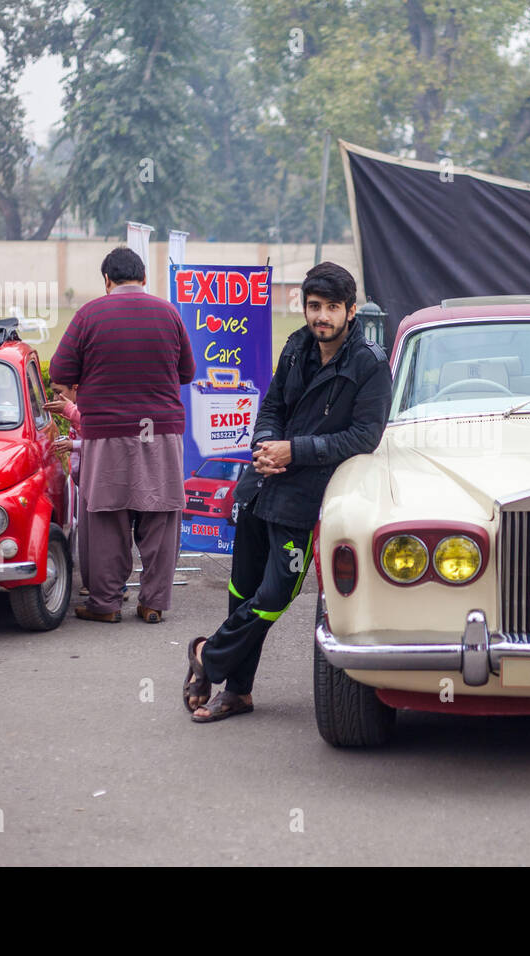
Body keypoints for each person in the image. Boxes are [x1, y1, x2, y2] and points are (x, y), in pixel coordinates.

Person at [185, 261, 393, 722]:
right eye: (314, 306)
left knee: (275, 596)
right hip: (260, 488)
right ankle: (237, 693)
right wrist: (264, 447)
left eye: (332, 308)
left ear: (351, 311)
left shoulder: (370, 365)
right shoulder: (297, 347)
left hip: (307, 500)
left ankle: (206, 654)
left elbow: (364, 438)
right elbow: (272, 405)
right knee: (242, 592)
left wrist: (292, 452)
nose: (322, 317)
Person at [49, 246, 195, 624]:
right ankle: (153, 604)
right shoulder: (168, 313)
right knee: (160, 517)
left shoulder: (89, 315)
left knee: (105, 519)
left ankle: (106, 604)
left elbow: (61, 370)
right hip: (160, 431)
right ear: (144, 279)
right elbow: (187, 372)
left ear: (107, 281)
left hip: (106, 432)